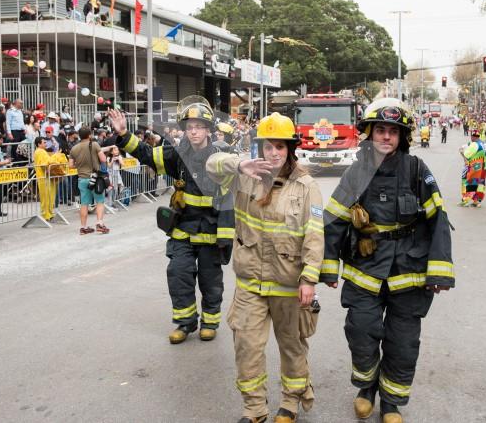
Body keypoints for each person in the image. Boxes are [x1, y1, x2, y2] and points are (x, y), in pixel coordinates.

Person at [321, 98, 454, 423]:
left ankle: (391, 401)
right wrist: (326, 266)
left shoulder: (417, 169)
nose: (385, 137)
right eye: (379, 130)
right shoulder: (357, 171)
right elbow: (333, 219)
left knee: (402, 342)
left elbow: (438, 218)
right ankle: (366, 388)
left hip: (409, 272)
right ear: (369, 133)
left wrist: (440, 271)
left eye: (392, 131)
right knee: (361, 331)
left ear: (402, 136)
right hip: (364, 269)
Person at [206, 113, 323, 423]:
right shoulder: (244, 175)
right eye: (268, 147)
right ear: (259, 148)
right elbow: (210, 163)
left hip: (288, 284)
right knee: (246, 346)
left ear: (290, 150)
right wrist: (238, 163)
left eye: (280, 147)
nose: (273, 153)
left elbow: (314, 234)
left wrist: (310, 278)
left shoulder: (306, 186)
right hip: (250, 283)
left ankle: (290, 403)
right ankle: (254, 409)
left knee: (292, 346)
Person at [109, 97, 234, 344]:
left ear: (208, 129)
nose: (194, 131)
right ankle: (185, 323)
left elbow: (228, 200)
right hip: (183, 230)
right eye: (189, 127)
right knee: (178, 275)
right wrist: (123, 134)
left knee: (210, 281)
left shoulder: (221, 158)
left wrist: (225, 237)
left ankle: (209, 322)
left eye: (198, 126)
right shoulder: (177, 155)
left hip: (210, 233)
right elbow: (145, 153)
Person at [68, 127, 109, 234]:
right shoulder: (94, 144)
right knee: (100, 201)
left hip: (82, 179)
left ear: (79, 136)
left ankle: (83, 227)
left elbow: (71, 166)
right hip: (95, 178)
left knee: (84, 203)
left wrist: (80, 165)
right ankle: (99, 223)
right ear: (89, 135)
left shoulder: (74, 148)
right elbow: (103, 159)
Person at [460, 130, 486, 207]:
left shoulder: (474, 144)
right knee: (480, 184)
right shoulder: (484, 144)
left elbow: (466, 154)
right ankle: (477, 201)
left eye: (471, 136)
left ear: (473, 137)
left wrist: (462, 152)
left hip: (475, 167)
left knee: (469, 182)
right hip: (483, 167)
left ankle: (465, 200)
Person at [33, 136, 57, 222]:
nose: (45, 144)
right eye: (44, 142)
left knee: (48, 196)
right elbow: (44, 164)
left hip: (44, 177)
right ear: (39, 144)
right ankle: (46, 214)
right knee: (47, 197)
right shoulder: (40, 152)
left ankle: (49, 214)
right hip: (45, 177)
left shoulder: (40, 151)